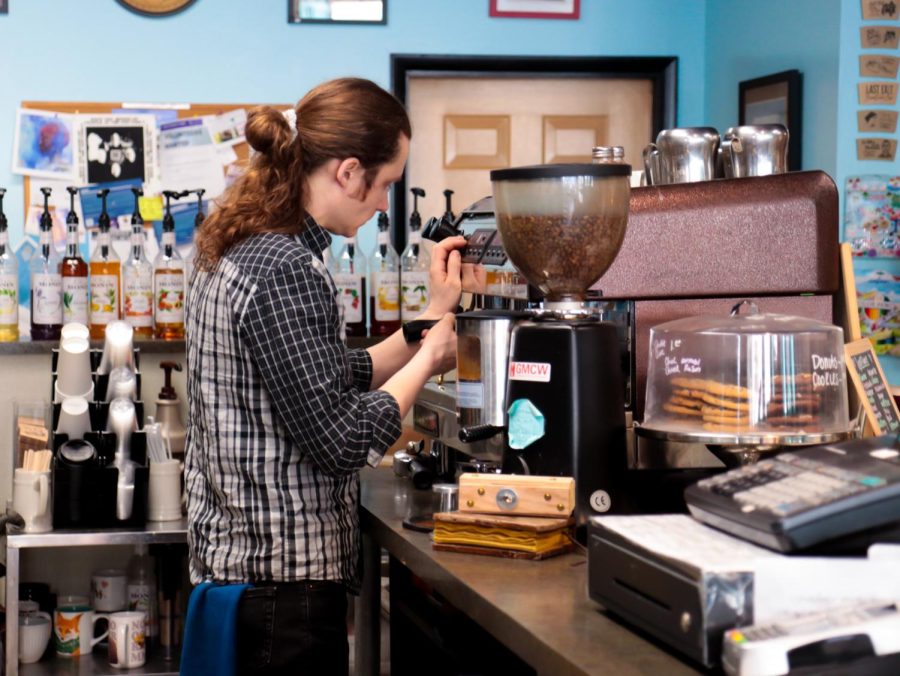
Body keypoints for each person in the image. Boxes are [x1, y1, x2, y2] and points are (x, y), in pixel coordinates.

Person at [184, 77, 468, 675]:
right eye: (385, 183)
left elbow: (318, 376)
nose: (384, 203)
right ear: (347, 172)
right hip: (282, 593)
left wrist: (429, 320)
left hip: (244, 575)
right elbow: (340, 440)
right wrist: (426, 362)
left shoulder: (235, 245)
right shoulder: (287, 266)